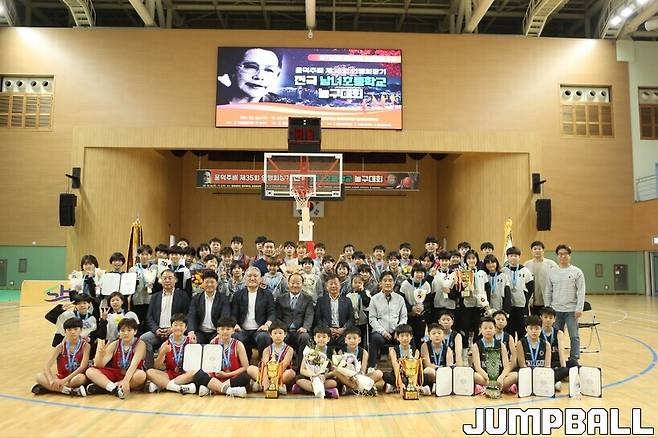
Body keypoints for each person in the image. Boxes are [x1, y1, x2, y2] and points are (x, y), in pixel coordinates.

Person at [140, 269, 191, 369]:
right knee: (144, 339)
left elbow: (186, 315)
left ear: (175, 280)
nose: (167, 280)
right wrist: (156, 329)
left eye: (170, 278)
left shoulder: (183, 296)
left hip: (175, 331)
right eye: (164, 278)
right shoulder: (155, 296)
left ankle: (177, 368)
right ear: (160, 280)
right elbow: (149, 316)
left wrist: (173, 329)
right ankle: (150, 368)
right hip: (158, 331)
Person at [545, 244, 586, 364]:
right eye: (560, 254)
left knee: (574, 335)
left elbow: (581, 291)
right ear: (557, 256)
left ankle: (574, 358)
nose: (563, 256)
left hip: (571, 310)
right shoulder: (552, 272)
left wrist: (579, 308)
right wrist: (548, 308)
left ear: (569, 256)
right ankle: (556, 356)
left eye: (565, 254)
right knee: (555, 335)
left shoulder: (577, 272)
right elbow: (548, 291)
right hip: (556, 310)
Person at [85, 318, 147, 399]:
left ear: (135, 331)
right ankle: (114, 389)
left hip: (131, 373)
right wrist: (100, 355)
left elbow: (134, 365)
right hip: (116, 372)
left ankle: (106, 387)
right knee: (90, 371)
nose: (125, 333)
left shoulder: (140, 344)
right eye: (122, 330)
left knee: (141, 375)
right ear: (119, 332)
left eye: (129, 330)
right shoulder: (114, 344)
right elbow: (100, 365)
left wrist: (126, 381)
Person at [32, 317, 90, 397]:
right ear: (65, 332)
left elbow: (83, 367)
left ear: (80, 330)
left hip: (75, 377)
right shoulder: (60, 347)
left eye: (75, 329)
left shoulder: (86, 346)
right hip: (61, 376)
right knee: (39, 376)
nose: (73, 332)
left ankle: (49, 388)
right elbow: (47, 366)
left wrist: (64, 381)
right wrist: (51, 380)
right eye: (69, 330)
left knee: (80, 378)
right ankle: (69, 391)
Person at [194, 316, 250, 398]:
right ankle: (230, 390)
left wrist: (226, 375)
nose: (225, 332)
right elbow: (208, 366)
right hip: (215, 377)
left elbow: (245, 367)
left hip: (232, 377)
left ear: (233, 330)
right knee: (198, 374)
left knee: (245, 377)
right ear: (218, 330)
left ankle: (213, 388)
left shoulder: (238, 345)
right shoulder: (213, 344)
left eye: (228, 329)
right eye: (222, 329)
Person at [145, 313, 197, 395]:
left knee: (194, 372)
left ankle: (162, 385)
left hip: (185, 374)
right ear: (171, 327)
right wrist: (162, 353)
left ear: (186, 328)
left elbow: (195, 365)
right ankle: (178, 388)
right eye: (175, 325)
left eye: (181, 325)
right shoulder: (166, 344)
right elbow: (157, 366)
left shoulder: (190, 342)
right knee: (149, 372)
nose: (178, 328)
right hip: (170, 374)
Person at [231, 266, 275, 358]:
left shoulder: (267, 294)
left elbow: (272, 312)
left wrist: (267, 325)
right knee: (234, 336)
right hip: (242, 330)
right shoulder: (238, 295)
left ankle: (263, 362)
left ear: (261, 278)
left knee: (264, 337)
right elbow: (233, 313)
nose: (252, 278)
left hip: (259, 330)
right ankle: (240, 363)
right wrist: (235, 324)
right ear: (244, 278)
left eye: (255, 276)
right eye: (249, 276)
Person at [368, 271, 408, 368]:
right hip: (380, 332)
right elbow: (372, 319)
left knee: (407, 336)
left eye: (390, 280)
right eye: (385, 280)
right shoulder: (374, 299)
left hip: (396, 331)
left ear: (394, 283)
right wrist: (383, 332)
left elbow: (404, 317)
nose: (387, 283)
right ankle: (372, 367)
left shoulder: (400, 298)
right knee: (375, 338)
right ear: (380, 283)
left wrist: (399, 330)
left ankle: (408, 365)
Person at [217, 48, 283, 105]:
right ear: (232, 70)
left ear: (277, 75)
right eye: (251, 67)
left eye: (269, 70)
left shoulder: (281, 106)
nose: (260, 76)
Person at [247, 322, 296, 395]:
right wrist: (266, 381)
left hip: (281, 373)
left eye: (280, 333)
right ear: (270, 335)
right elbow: (265, 366)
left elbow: (284, 365)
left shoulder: (289, 349)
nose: (277, 336)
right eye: (275, 333)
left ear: (285, 334)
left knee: (291, 373)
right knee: (250, 369)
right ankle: (273, 386)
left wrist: (274, 379)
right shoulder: (267, 350)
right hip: (267, 374)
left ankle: (263, 384)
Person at [472, 316, 518, 395]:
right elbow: (477, 367)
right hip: (485, 377)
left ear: (495, 329)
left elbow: (506, 367)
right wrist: (488, 378)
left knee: (515, 375)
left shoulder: (501, 345)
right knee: (473, 375)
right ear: (480, 330)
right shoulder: (476, 346)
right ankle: (502, 388)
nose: (488, 330)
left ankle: (486, 388)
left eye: (491, 328)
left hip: (499, 378)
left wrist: (501, 377)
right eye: (485, 328)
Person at [382, 324, 431, 396]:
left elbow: (415, 369)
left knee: (426, 377)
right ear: (397, 338)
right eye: (402, 336)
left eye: (407, 336)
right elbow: (396, 368)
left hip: (412, 376)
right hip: (399, 375)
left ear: (411, 337)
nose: (405, 338)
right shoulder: (393, 350)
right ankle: (401, 386)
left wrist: (414, 384)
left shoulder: (416, 351)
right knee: (386, 375)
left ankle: (396, 388)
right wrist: (400, 383)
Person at [292, 326, 339, 398]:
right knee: (299, 380)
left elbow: (334, 371)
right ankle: (326, 392)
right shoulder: (309, 350)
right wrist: (313, 375)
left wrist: (325, 375)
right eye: (318, 337)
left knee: (333, 383)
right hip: (310, 377)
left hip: (324, 378)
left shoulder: (331, 351)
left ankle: (304, 389)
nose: (321, 339)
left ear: (328, 339)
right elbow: (302, 370)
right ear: (314, 338)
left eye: (324, 337)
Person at [274, 272, 314, 356]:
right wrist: (282, 329)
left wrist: (305, 327)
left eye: (298, 283)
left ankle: (300, 362)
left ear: (302, 284)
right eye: (292, 283)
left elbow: (309, 315)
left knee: (305, 337)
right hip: (285, 330)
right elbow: (278, 317)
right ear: (288, 284)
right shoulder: (280, 298)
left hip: (300, 330)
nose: (295, 285)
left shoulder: (308, 298)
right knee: (278, 335)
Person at [335, 327, 383, 396]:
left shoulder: (364, 352)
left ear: (359, 340)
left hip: (359, 376)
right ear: (345, 340)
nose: (352, 341)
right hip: (347, 377)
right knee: (336, 372)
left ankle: (353, 388)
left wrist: (357, 377)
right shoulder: (341, 351)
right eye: (349, 338)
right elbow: (341, 369)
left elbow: (363, 371)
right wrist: (351, 378)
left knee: (379, 373)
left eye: (354, 338)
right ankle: (358, 388)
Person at [187, 270, 230, 345]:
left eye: (212, 282)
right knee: (192, 343)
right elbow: (191, 315)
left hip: (216, 332)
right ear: (203, 283)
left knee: (217, 345)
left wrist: (220, 334)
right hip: (200, 332)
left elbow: (225, 317)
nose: (209, 284)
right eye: (207, 282)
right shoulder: (196, 298)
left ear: (216, 284)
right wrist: (191, 331)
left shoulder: (224, 299)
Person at [540, 306, 578, 390]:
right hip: (543, 365)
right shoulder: (537, 333)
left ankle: (557, 377)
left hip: (556, 363)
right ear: (541, 318)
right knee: (567, 374)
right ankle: (556, 378)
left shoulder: (559, 333)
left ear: (554, 319)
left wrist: (563, 368)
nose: (548, 320)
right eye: (545, 317)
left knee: (574, 363)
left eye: (550, 318)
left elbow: (561, 353)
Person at [501, 246, 535, 340]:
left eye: (515, 256)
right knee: (509, 329)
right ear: (507, 257)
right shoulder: (503, 271)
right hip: (509, 306)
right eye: (511, 256)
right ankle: (510, 348)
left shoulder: (525, 271)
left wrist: (525, 298)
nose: (513, 258)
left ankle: (521, 347)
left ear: (519, 257)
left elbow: (530, 287)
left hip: (521, 305)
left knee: (522, 329)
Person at [315, 273, 354, 352]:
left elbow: (351, 319)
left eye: (336, 283)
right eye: (331, 284)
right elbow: (318, 319)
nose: (333, 286)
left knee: (348, 341)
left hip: (343, 331)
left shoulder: (347, 300)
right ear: (326, 287)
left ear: (340, 286)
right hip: (326, 332)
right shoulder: (321, 301)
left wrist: (343, 329)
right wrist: (328, 329)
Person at [398, 263, 432, 350]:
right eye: (417, 272)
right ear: (413, 273)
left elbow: (428, 301)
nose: (419, 275)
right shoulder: (405, 284)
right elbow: (401, 300)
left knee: (420, 337)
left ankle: (420, 353)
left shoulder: (426, 284)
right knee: (409, 336)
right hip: (409, 315)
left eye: (422, 272)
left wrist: (423, 307)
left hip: (421, 315)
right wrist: (411, 308)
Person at [524, 241, 558, 315]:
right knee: (535, 320)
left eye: (539, 249)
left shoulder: (551, 264)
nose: (537, 251)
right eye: (535, 249)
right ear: (531, 251)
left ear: (543, 251)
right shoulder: (526, 265)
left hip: (547, 300)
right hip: (533, 301)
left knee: (547, 319)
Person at [129, 245, 156, 334]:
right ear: (139, 255)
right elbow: (130, 286)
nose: (144, 257)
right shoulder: (133, 269)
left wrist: (152, 286)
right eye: (142, 254)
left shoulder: (154, 268)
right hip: (137, 300)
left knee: (149, 321)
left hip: (150, 300)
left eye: (147, 254)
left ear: (150, 255)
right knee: (137, 322)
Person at [420, 323, 453, 390]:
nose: (437, 335)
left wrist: (440, 370)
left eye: (439, 333)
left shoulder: (448, 350)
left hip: (444, 374)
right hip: (432, 373)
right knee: (428, 371)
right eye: (434, 333)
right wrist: (440, 368)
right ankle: (438, 386)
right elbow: (427, 365)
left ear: (443, 335)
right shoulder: (425, 346)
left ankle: (438, 386)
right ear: (429, 336)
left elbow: (449, 368)